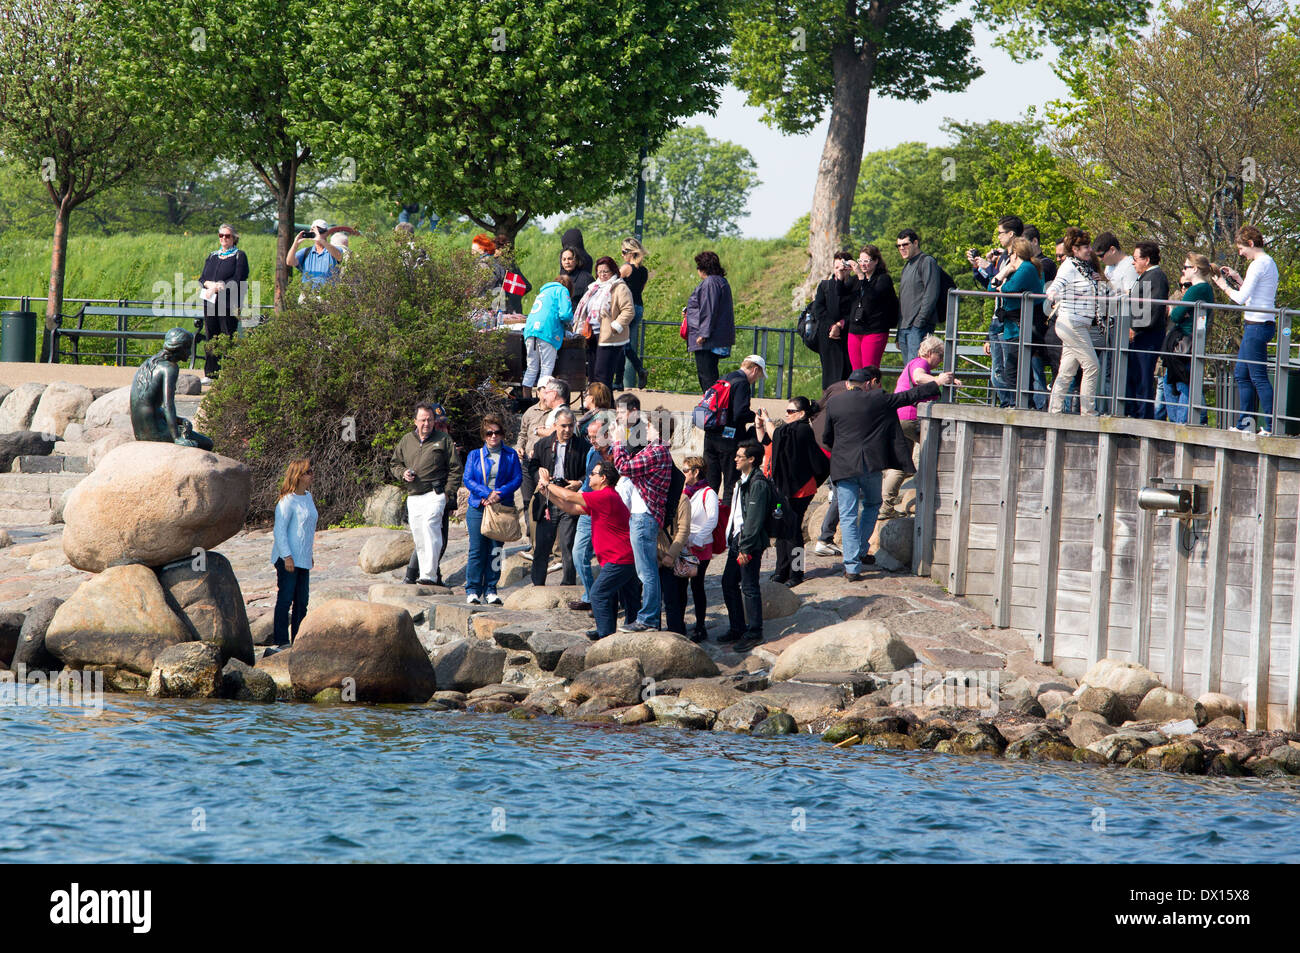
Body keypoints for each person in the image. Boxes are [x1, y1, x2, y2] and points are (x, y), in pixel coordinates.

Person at [822, 365, 951, 579]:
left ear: (847, 385)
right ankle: (861, 551)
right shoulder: (877, 399)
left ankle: (852, 567)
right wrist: (936, 382)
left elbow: (827, 436)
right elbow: (908, 396)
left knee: (847, 515)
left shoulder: (834, 402)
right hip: (870, 465)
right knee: (873, 505)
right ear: (866, 385)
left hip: (843, 465)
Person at [538, 460, 641, 639]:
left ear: (603, 478)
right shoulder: (603, 498)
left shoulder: (605, 496)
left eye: (593, 474)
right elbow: (570, 508)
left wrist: (548, 483)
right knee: (619, 596)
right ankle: (612, 632)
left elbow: (569, 496)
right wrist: (547, 493)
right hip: (620, 558)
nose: (589, 476)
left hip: (621, 559)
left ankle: (606, 634)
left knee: (598, 593)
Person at [610, 394, 673, 631]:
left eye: (647, 426)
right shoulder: (654, 450)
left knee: (646, 572)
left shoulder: (656, 451)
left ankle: (648, 619)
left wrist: (617, 441)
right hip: (642, 517)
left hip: (644, 518)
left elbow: (623, 467)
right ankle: (649, 619)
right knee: (645, 571)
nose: (642, 429)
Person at [755, 396, 829, 587]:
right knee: (781, 529)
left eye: (790, 411)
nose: (787, 415)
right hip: (784, 489)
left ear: (802, 413)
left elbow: (777, 434)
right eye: (786, 411)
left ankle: (796, 573)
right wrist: (760, 424)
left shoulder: (802, 429)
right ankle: (781, 571)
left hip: (801, 490)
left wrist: (768, 419)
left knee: (793, 531)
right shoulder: (790, 429)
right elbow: (770, 438)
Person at [1215, 225, 1281, 435]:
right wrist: (1237, 278)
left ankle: (1271, 427)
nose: (1240, 252)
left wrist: (1223, 286)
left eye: (1242, 248)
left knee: (1258, 377)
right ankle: (1246, 424)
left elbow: (1242, 299)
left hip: (1257, 326)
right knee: (1242, 374)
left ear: (1251, 244)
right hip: (1259, 323)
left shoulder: (1257, 265)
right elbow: (1255, 296)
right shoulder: (1268, 263)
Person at [881, 335, 956, 517]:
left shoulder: (914, 362)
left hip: (899, 418)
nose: (941, 360)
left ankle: (885, 508)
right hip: (911, 417)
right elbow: (918, 377)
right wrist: (939, 380)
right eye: (940, 355)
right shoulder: (920, 364)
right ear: (930, 353)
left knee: (899, 464)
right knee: (939, 449)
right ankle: (933, 493)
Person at [390, 402, 463, 586]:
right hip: (414, 495)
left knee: (431, 528)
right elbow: (394, 464)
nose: (427, 423)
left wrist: (447, 494)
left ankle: (429, 575)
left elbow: (456, 468)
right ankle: (426, 574)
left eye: (430, 420)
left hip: (435, 493)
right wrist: (403, 473)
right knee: (419, 535)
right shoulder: (406, 440)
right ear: (415, 421)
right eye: (423, 420)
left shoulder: (443, 440)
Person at [1047, 229, 1109, 416]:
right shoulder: (1069, 266)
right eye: (1085, 247)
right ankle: (1088, 412)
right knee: (1092, 366)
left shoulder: (1084, 267)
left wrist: (1101, 281)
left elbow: (1099, 292)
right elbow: (1057, 284)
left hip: (1078, 324)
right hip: (1071, 323)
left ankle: (1054, 411)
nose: (1089, 250)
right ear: (1074, 249)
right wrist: (1053, 294)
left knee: (1067, 370)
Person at [463, 413, 523, 605]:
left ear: (502, 433)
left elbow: (517, 478)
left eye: (497, 432)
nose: (493, 436)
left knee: (496, 550)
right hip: (478, 506)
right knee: (476, 549)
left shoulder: (510, 454)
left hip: (501, 506)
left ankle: (491, 588)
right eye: (489, 433)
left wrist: (500, 493)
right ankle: (472, 589)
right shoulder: (474, 455)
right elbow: (468, 479)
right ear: (484, 435)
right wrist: (486, 493)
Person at [719, 441, 772, 653]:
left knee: (749, 587)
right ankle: (737, 627)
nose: (735, 458)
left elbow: (754, 520)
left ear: (751, 459)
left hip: (748, 542)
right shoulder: (742, 480)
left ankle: (754, 631)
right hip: (737, 540)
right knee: (728, 582)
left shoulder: (758, 483)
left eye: (740, 456)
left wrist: (746, 548)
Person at [528, 408, 589, 588]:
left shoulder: (583, 446)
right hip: (547, 500)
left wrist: (579, 482)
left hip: (569, 499)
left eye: (571, 426)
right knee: (542, 547)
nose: (567, 430)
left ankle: (568, 586)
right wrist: (540, 477)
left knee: (567, 545)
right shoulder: (543, 444)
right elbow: (532, 467)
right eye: (563, 426)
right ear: (555, 425)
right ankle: (537, 585)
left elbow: (590, 472)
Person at [985, 237, 1045, 408]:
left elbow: (1008, 288)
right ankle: (1020, 403)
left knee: (1013, 368)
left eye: (1010, 254)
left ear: (1016, 254)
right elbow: (991, 287)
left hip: (1021, 327)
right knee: (1013, 367)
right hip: (1013, 326)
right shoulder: (1018, 269)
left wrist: (1002, 283)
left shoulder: (1026, 268)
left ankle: (1018, 404)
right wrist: (1004, 272)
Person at [130, 328, 214, 450]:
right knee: (207, 443)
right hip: (154, 432)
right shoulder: (170, 368)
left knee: (188, 431)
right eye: (188, 348)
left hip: (140, 430)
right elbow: (168, 405)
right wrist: (176, 438)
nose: (190, 353)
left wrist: (179, 420)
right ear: (179, 348)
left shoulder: (150, 362)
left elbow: (151, 406)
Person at [568, 411, 616, 612]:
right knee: (578, 553)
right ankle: (590, 596)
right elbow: (589, 479)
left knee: (608, 558)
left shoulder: (616, 453)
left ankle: (608, 598)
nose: (592, 441)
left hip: (608, 511)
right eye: (589, 436)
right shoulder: (591, 451)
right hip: (588, 508)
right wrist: (579, 487)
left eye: (595, 436)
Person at [515, 376, 568, 559]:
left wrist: (539, 431)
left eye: (548, 389)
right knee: (529, 502)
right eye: (542, 389)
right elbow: (522, 434)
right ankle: (533, 544)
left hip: (545, 465)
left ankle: (550, 548)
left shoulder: (557, 413)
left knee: (546, 502)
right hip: (527, 463)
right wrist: (520, 447)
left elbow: (555, 433)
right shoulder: (530, 412)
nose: (544, 393)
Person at [701, 355, 764, 503]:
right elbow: (740, 413)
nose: (756, 380)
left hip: (710, 436)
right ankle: (727, 521)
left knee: (710, 483)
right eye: (759, 376)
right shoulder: (742, 383)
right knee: (731, 483)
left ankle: (709, 518)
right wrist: (755, 416)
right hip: (728, 439)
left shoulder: (725, 377)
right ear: (755, 369)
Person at [270, 458, 318, 647]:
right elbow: (279, 530)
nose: (311, 474)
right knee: (285, 599)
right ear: (298, 476)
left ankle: (298, 640)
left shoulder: (308, 497)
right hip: (287, 559)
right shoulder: (286, 501)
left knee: (302, 600)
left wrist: (308, 553)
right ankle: (281, 640)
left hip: (303, 558)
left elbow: (306, 529)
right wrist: (287, 556)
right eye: (308, 472)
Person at [1163, 254, 1216, 424]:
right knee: (1176, 381)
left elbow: (1177, 316)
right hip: (1192, 341)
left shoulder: (1196, 289)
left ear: (1194, 269)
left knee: (1182, 382)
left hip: (1186, 341)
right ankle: (1187, 420)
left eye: (1185, 267)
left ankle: (1180, 422)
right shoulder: (1205, 289)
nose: (1183, 270)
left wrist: (1174, 309)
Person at [197, 223, 249, 383]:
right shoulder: (213, 256)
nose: (224, 239)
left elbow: (239, 277)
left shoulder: (239, 255)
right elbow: (202, 278)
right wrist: (208, 285)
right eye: (221, 235)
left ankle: (230, 374)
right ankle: (211, 373)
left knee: (228, 336)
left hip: (229, 302)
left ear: (234, 238)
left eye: (227, 236)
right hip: (211, 302)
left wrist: (221, 286)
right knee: (211, 336)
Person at [574, 256, 634, 388]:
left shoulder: (620, 287)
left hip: (609, 337)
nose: (602, 275)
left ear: (613, 271)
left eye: (605, 271)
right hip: (592, 334)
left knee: (602, 375)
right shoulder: (594, 288)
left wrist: (615, 326)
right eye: (599, 272)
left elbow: (629, 310)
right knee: (593, 375)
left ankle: (605, 405)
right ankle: (598, 403)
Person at [1126, 241, 1170, 420]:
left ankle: (1143, 416)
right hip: (1141, 334)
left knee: (1143, 376)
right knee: (1136, 375)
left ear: (1147, 259)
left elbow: (1154, 308)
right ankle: (1136, 412)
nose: (1133, 262)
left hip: (1147, 336)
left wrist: (1135, 328)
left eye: (1136, 259)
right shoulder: (1147, 277)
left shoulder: (1156, 277)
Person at [684, 251, 736, 393]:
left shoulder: (710, 283)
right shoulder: (720, 281)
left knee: (706, 376)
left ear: (703, 267)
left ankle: (711, 408)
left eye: (698, 266)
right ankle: (713, 407)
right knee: (710, 373)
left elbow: (709, 309)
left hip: (707, 339)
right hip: (716, 335)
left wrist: (703, 333)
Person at [680, 456, 718, 642]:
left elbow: (712, 519)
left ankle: (700, 626)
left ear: (696, 472)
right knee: (679, 585)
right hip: (682, 544)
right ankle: (679, 623)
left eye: (686, 470)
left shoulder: (708, 493)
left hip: (700, 545)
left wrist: (696, 539)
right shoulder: (685, 491)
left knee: (697, 586)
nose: (684, 473)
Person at [846, 244, 898, 371]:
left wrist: (861, 276)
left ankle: (874, 392)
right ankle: (858, 392)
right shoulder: (855, 280)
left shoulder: (883, 279)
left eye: (866, 261)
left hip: (874, 331)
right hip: (855, 330)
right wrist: (841, 274)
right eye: (860, 261)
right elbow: (839, 293)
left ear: (875, 261)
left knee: (869, 372)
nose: (862, 264)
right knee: (856, 373)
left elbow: (871, 299)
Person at [896, 228, 943, 364]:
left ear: (915, 243)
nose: (902, 248)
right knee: (909, 371)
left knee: (917, 371)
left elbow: (931, 293)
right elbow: (903, 301)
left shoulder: (927, 261)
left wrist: (919, 322)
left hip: (918, 327)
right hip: (905, 328)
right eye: (899, 246)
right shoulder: (907, 266)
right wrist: (899, 332)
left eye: (905, 244)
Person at [523, 274, 573, 397]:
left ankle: (525, 400)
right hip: (547, 331)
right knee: (546, 368)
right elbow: (565, 314)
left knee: (531, 367)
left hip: (530, 331)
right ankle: (543, 401)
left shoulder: (544, 292)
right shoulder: (562, 290)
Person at [811, 251, 855, 388]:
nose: (839, 270)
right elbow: (818, 309)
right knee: (830, 374)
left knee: (848, 372)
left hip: (848, 334)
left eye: (842, 267)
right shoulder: (825, 286)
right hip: (828, 336)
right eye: (836, 268)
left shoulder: (856, 285)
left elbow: (856, 310)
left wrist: (841, 324)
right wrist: (832, 326)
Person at [619, 237, 650, 389]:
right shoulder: (644, 271)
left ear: (631, 253)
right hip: (639, 307)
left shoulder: (626, 268)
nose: (622, 256)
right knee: (625, 343)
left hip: (627, 308)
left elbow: (612, 284)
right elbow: (640, 289)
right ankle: (622, 378)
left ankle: (637, 369)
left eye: (624, 252)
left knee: (622, 343)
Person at [287, 219, 344, 296]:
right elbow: (289, 262)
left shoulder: (333, 251)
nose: (316, 233)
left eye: (319, 231)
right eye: (312, 230)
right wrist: (295, 244)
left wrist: (321, 240)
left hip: (328, 296)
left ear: (326, 233)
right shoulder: (306, 252)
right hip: (308, 296)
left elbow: (339, 257)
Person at [495, 235, 532, 314]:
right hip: (516, 310)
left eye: (495, 249)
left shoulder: (496, 265)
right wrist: (516, 295)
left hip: (503, 311)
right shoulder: (512, 264)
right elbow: (527, 286)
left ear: (500, 250)